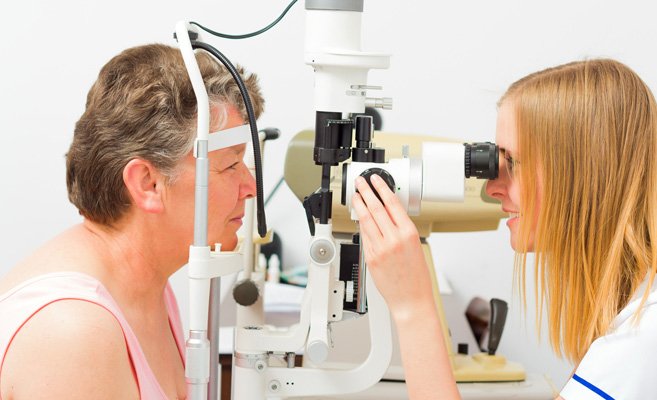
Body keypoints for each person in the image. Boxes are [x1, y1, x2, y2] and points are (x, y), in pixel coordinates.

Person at [352, 59, 657, 399]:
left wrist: (413, 309)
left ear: (586, 175)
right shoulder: (632, 325)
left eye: (514, 162)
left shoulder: (637, 348)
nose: (492, 188)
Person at [0, 43, 264, 399]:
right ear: (148, 184)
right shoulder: (74, 333)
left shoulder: (147, 287)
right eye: (231, 164)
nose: (250, 187)